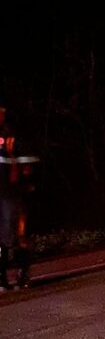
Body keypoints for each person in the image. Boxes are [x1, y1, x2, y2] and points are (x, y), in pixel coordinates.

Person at [0, 107, 39, 290]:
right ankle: (2, 279)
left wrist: (25, 183)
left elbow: (27, 165)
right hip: (5, 195)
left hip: (11, 194)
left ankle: (22, 275)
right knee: (3, 237)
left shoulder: (13, 138)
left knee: (19, 234)